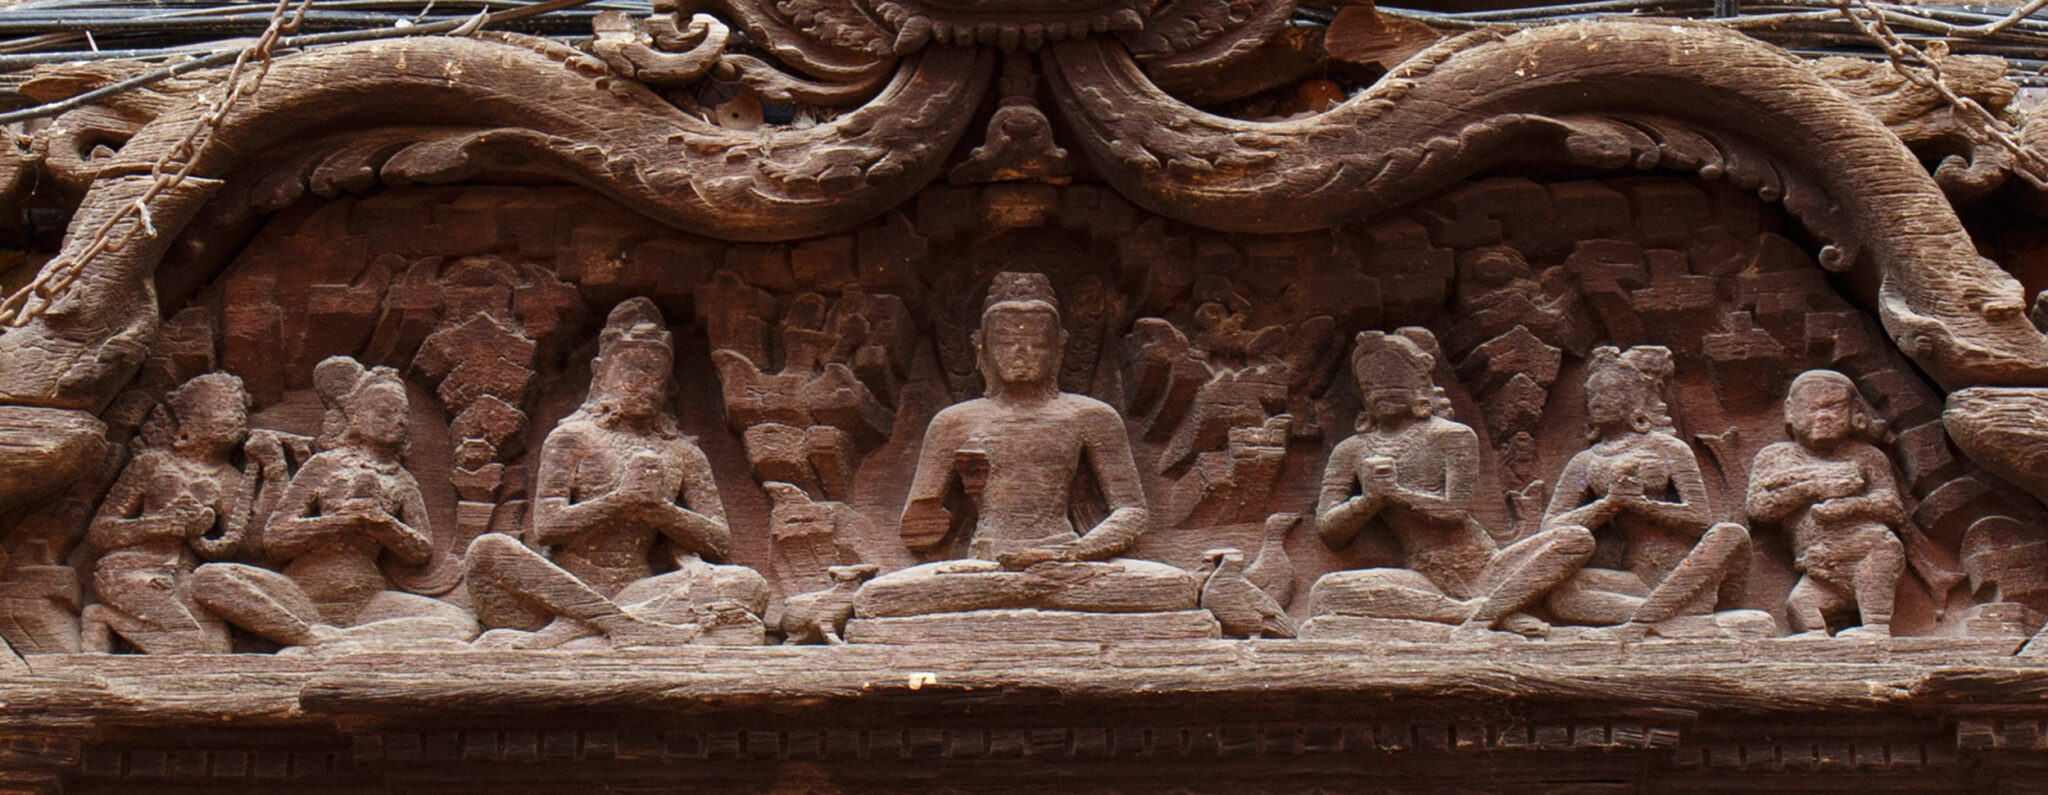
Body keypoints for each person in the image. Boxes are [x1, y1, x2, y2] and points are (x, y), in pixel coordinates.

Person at [851, 272, 1197, 618]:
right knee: (878, 597)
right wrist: (953, 497)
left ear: (1059, 347)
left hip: (1065, 564)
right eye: (1006, 341)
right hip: (986, 566)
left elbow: (1132, 512)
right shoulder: (953, 423)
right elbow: (916, 533)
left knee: (1173, 587)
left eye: (1036, 341)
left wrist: (1073, 553)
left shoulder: (1092, 417)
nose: (1022, 351)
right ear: (980, 347)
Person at [464, 298, 768, 649]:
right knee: (488, 551)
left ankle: (577, 630)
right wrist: (619, 501)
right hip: (560, 588)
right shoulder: (572, 438)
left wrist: (659, 510)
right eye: (632, 373)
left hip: (641, 591)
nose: (645, 385)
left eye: (656, 376)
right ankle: (610, 625)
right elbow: (547, 527)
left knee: (748, 584)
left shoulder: (682, 452)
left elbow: (718, 540)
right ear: (601, 373)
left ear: (668, 384)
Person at [1305, 329, 1592, 638]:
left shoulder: (1451, 436)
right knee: (1326, 592)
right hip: (1423, 576)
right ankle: (1480, 613)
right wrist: (1367, 502)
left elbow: (1454, 510)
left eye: (1393, 383)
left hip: (1485, 568)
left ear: (1419, 383)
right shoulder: (1352, 450)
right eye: (1370, 386)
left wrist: (1396, 495)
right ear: (1361, 394)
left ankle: (1488, 607)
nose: (1381, 393)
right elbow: (1329, 531)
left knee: (1576, 539)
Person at [191, 357, 476, 651]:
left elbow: (421, 551)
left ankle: (335, 642)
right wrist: (339, 521)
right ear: (355, 416)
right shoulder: (325, 466)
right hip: (301, 593)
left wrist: (383, 523)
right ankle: (309, 637)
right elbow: (276, 538)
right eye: (384, 412)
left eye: (403, 414)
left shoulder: (402, 480)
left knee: (462, 624)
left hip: (367, 602)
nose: (398, 421)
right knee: (209, 579)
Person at [1541, 346, 1769, 639]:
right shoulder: (1585, 463)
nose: (1598, 401)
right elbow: (1550, 528)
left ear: (1638, 400)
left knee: (1730, 533)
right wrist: (1608, 504)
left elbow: (1701, 518)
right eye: (1592, 395)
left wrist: (1641, 505)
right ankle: (1672, 620)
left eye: (1611, 392)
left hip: (1687, 572)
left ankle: (1660, 616)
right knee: (1559, 594)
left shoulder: (1669, 449)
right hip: (1636, 579)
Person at [81, 374, 260, 653]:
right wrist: (158, 525)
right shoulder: (153, 464)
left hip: (183, 581)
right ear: (187, 424)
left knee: (218, 652)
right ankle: (102, 619)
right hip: (131, 571)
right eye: (216, 409)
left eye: (238, 411)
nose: (231, 418)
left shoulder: (231, 480)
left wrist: (272, 473)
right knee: (189, 644)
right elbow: (100, 533)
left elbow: (241, 548)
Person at [1747, 370, 1906, 638]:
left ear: (1854, 411)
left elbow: (1891, 506)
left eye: (1833, 407)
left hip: (1867, 552)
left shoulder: (1867, 456)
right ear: (1790, 412)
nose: (1823, 416)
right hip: (1820, 569)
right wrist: (1815, 487)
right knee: (1800, 605)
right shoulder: (1775, 457)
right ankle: (1817, 638)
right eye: (1811, 408)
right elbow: (1759, 508)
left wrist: (1852, 506)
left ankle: (1875, 627)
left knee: (1875, 573)